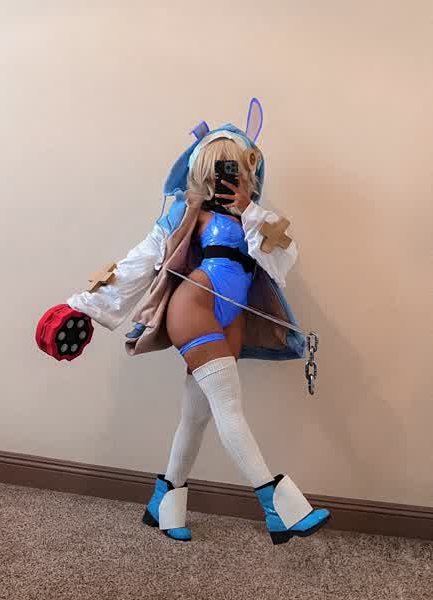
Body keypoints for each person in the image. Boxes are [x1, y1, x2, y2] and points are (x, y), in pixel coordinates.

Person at [37, 99, 330, 544]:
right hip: (194, 305)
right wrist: (83, 306)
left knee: (196, 417)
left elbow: (282, 260)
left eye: (233, 168)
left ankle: (164, 501)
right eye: (216, 169)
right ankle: (278, 507)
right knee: (229, 406)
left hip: (231, 316)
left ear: (248, 170)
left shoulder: (257, 217)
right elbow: (140, 261)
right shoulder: (184, 212)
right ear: (201, 171)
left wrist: (250, 211)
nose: (224, 178)